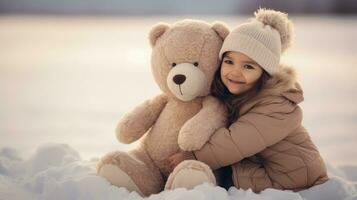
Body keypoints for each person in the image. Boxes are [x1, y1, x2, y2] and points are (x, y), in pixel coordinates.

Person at [166, 8, 329, 192]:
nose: (235, 72)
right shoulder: (245, 94)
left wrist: (193, 156)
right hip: (271, 168)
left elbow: (234, 142)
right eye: (229, 62)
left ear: (264, 74)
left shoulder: (275, 106)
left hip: (290, 179)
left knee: (222, 173)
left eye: (248, 66)